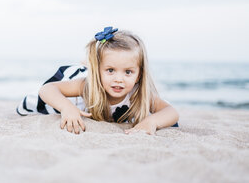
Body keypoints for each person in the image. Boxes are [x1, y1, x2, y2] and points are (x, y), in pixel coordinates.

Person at [16, 27, 179, 135]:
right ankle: (86, 66)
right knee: (32, 103)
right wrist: (67, 108)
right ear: (98, 71)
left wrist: (152, 121)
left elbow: (171, 112)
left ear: (139, 74)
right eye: (110, 70)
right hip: (77, 78)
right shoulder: (87, 85)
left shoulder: (137, 93)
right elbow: (47, 89)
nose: (119, 79)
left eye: (128, 72)